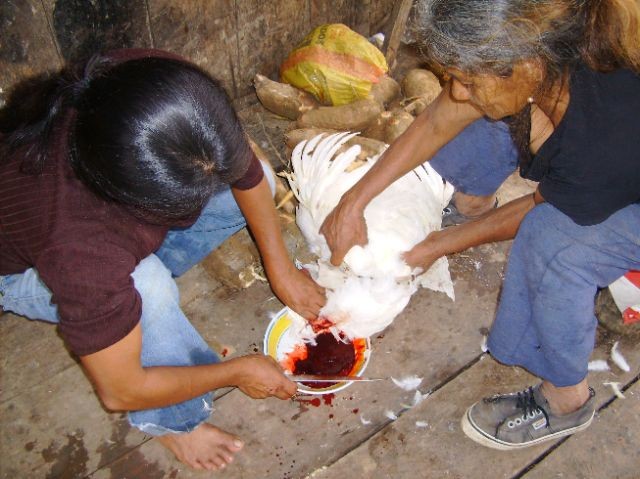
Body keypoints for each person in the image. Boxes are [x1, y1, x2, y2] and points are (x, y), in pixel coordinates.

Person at [321, 0, 640, 450]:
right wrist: (353, 201)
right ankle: (472, 203)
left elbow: (539, 206)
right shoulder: (543, 44)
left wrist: (438, 244)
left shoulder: (605, 135)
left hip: (624, 187)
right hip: (580, 143)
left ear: (527, 68)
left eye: (467, 80)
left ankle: (566, 398)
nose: (456, 91)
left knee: (552, 241)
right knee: (467, 140)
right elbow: (438, 119)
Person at [0, 49, 326, 470]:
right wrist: (235, 371)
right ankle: (174, 423)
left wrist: (279, 269)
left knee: (256, 179)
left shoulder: (146, 85)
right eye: (182, 207)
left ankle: (126, 303)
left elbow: (244, 170)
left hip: (100, 231)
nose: (195, 210)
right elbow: (120, 390)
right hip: (19, 274)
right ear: (135, 202)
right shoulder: (81, 250)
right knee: (148, 286)